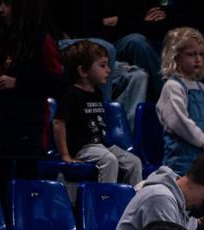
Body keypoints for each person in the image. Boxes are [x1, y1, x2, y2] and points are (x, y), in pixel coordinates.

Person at [0, 0, 64, 196]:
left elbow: (56, 83)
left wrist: (18, 83)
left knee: (26, 191)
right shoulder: (2, 39)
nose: (0, 10)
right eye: (0, 4)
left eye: (8, 4)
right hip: (0, 127)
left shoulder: (43, 41)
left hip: (30, 129)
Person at [54, 39, 143, 184]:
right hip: (82, 149)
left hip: (101, 146)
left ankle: (134, 202)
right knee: (109, 160)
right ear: (83, 71)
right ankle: (105, 201)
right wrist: (65, 155)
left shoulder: (98, 93)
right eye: (102, 65)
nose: (108, 70)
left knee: (134, 162)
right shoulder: (70, 95)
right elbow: (58, 123)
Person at [157, 27, 204, 176]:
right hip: (180, 160)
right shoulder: (173, 86)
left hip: (202, 158)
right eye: (191, 54)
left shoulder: (201, 88)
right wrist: (203, 142)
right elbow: (178, 121)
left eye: (201, 54)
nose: (198, 59)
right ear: (175, 57)